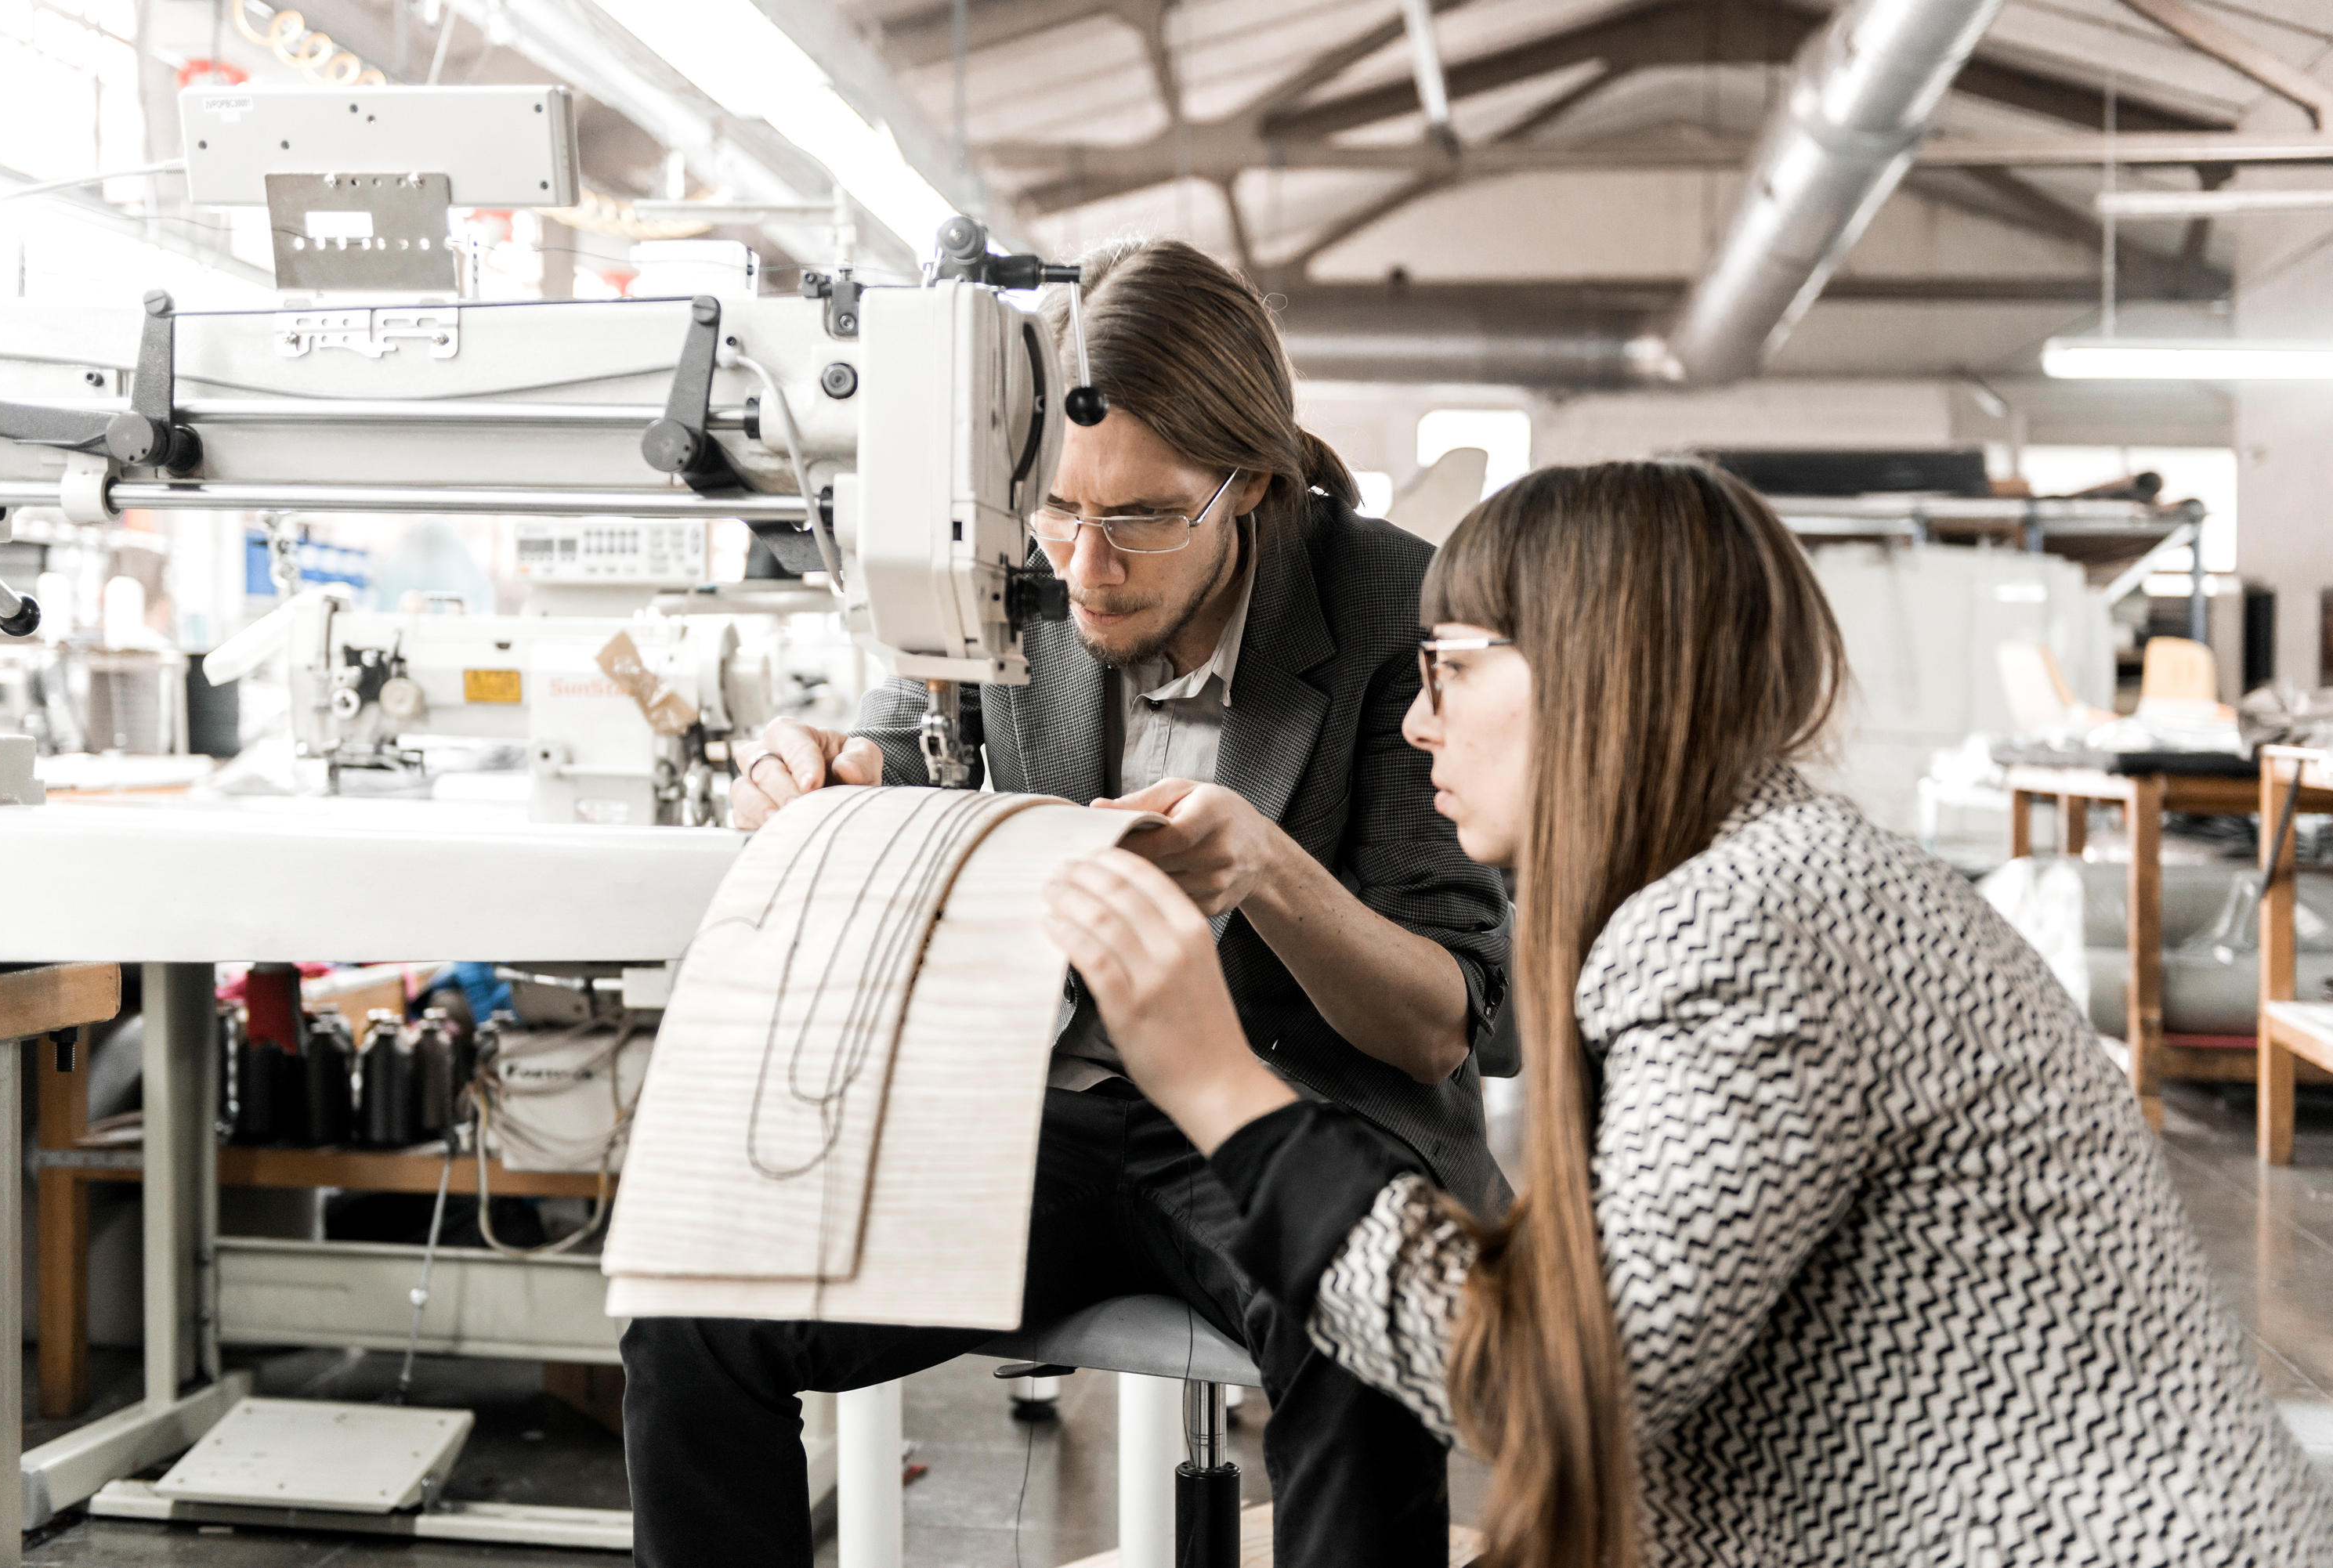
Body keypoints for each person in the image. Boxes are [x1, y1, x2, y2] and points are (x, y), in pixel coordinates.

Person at [1044, 460, 2333, 1568]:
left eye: (1448, 670)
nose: (1422, 722)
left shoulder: (1749, 923)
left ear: (1594, 674)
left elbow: (1562, 1397)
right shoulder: (1765, 878)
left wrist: (1221, 1087)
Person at [619, 238, 1510, 1568]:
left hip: (1290, 1111)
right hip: (1047, 1113)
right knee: (693, 1307)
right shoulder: (1000, 557)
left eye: (1142, 518)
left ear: (1253, 485)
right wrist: (824, 776)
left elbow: (1437, 1024)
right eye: (1057, 512)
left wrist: (1267, 867)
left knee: (1362, 1336)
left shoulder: (1392, 606)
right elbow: (896, 741)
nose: (1086, 566)